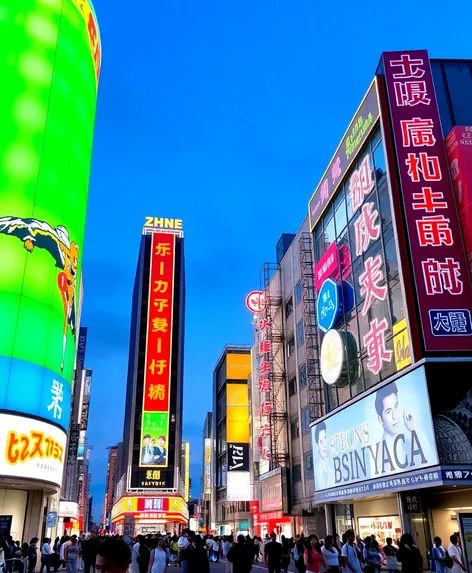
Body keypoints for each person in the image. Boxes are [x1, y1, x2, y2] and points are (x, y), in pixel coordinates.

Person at [314, 422, 331, 489]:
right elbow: (323, 487)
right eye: (321, 441)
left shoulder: (331, 463)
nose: (324, 444)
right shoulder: (319, 469)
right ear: (317, 446)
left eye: (325, 438)